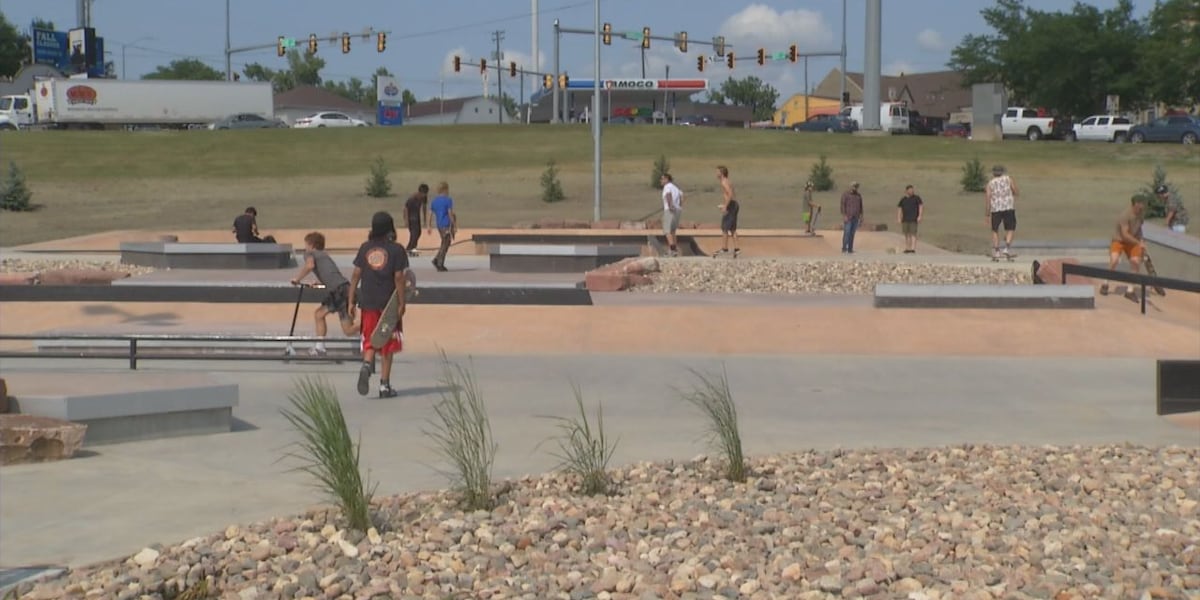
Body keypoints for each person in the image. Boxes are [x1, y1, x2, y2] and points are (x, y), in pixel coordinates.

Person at [348, 212, 410, 398]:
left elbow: (356, 275)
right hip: (387, 304)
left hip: (367, 302)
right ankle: (384, 386)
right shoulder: (397, 250)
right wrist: (401, 302)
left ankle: (367, 365)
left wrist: (350, 300)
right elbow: (399, 277)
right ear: (390, 228)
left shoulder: (365, 248)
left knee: (370, 338)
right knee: (387, 343)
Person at [291, 232, 357, 355]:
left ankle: (370, 325)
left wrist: (297, 279)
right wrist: (318, 282)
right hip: (343, 288)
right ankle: (320, 347)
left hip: (339, 290)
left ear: (311, 245)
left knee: (324, 317)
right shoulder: (324, 255)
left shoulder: (310, 253)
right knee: (342, 327)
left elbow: (309, 266)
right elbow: (329, 273)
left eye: (306, 244)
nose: (305, 247)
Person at [1101, 195, 1147, 298]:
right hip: (1119, 240)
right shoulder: (1125, 215)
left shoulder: (1141, 215)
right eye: (1141, 204)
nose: (1143, 206)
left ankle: (1130, 291)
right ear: (1135, 204)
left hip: (1134, 241)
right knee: (1114, 260)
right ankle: (1105, 283)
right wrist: (1139, 243)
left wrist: (1142, 240)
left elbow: (1139, 228)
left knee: (1135, 262)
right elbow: (1125, 235)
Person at [985, 165, 1019, 259]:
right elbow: (1015, 191)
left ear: (993, 173)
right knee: (1010, 228)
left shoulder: (990, 183)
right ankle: (1006, 248)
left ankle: (996, 251)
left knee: (995, 230)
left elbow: (988, 198)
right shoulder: (1008, 179)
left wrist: (987, 214)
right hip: (1008, 207)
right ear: (1003, 172)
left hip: (996, 209)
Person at [429, 182, 457, 272]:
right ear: (445, 189)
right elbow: (450, 213)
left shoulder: (434, 201)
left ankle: (437, 259)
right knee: (446, 243)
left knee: (445, 242)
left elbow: (430, 214)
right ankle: (439, 262)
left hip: (439, 225)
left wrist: (429, 225)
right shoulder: (448, 200)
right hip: (446, 224)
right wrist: (454, 224)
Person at [715, 165, 740, 257]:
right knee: (732, 228)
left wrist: (725, 206)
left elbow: (730, 194)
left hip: (731, 206)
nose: (716, 174)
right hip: (733, 204)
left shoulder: (724, 182)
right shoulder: (727, 181)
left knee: (725, 228)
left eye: (717, 172)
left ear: (721, 173)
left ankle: (724, 248)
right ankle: (737, 249)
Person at [660, 173, 684, 256]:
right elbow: (682, 197)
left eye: (662, 179)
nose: (661, 181)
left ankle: (672, 249)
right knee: (673, 231)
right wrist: (679, 206)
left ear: (667, 179)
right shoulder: (676, 188)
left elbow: (668, 195)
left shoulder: (667, 187)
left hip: (670, 209)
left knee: (667, 230)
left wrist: (670, 205)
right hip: (678, 210)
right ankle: (675, 249)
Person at [403, 184, 430, 256]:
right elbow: (406, 209)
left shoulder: (424, 198)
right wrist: (406, 221)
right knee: (414, 234)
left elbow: (424, 207)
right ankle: (409, 249)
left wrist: (424, 219)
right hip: (411, 218)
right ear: (420, 192)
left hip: (417, 217)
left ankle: (412, 248)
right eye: (423, 194)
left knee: (418, 233)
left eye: (425, 194)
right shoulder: (412, 198)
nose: (424, 196)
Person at [896, 184, 924, 254]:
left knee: (913, 234)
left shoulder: (916, 198)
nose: (911, 191)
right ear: (906, 191)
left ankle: (913, 248)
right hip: (905, 219)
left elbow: (921, 206)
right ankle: (907, 248)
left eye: (912, 190)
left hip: (913, 218)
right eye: (910, 190)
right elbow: (899, 208)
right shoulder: (903, 199)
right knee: (906, 234)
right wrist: (899, 217)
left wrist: (920, 216)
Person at [840, 181, 864, 254]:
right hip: (848, 216)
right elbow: (843, 205)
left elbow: (861, 206)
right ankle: (844, 248)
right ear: (851, 186)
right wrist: (844, 215)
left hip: (856, 216)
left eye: (856, 186)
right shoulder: (846, 195)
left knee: (852, 233)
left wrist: (861, 216)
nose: (855, 188)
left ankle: (850, 248)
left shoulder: (858, 195)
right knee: (847, 232)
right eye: (854, 186)